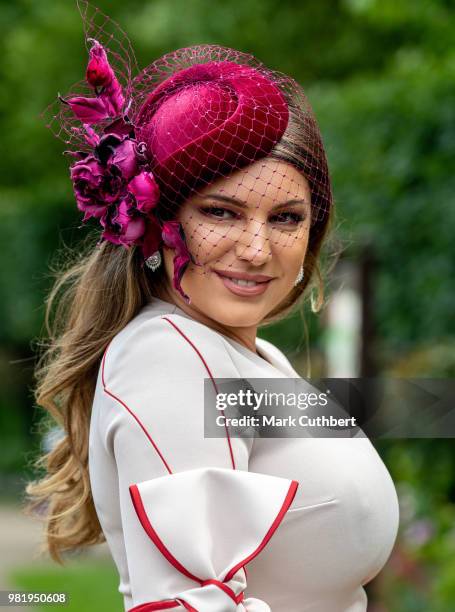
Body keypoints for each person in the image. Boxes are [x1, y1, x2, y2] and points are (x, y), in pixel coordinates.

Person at [25, 4, 399, 611]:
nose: (255, 250)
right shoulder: (168, 356)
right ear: (158, 220)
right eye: (220, 212)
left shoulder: (256, 355)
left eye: (286, 218)